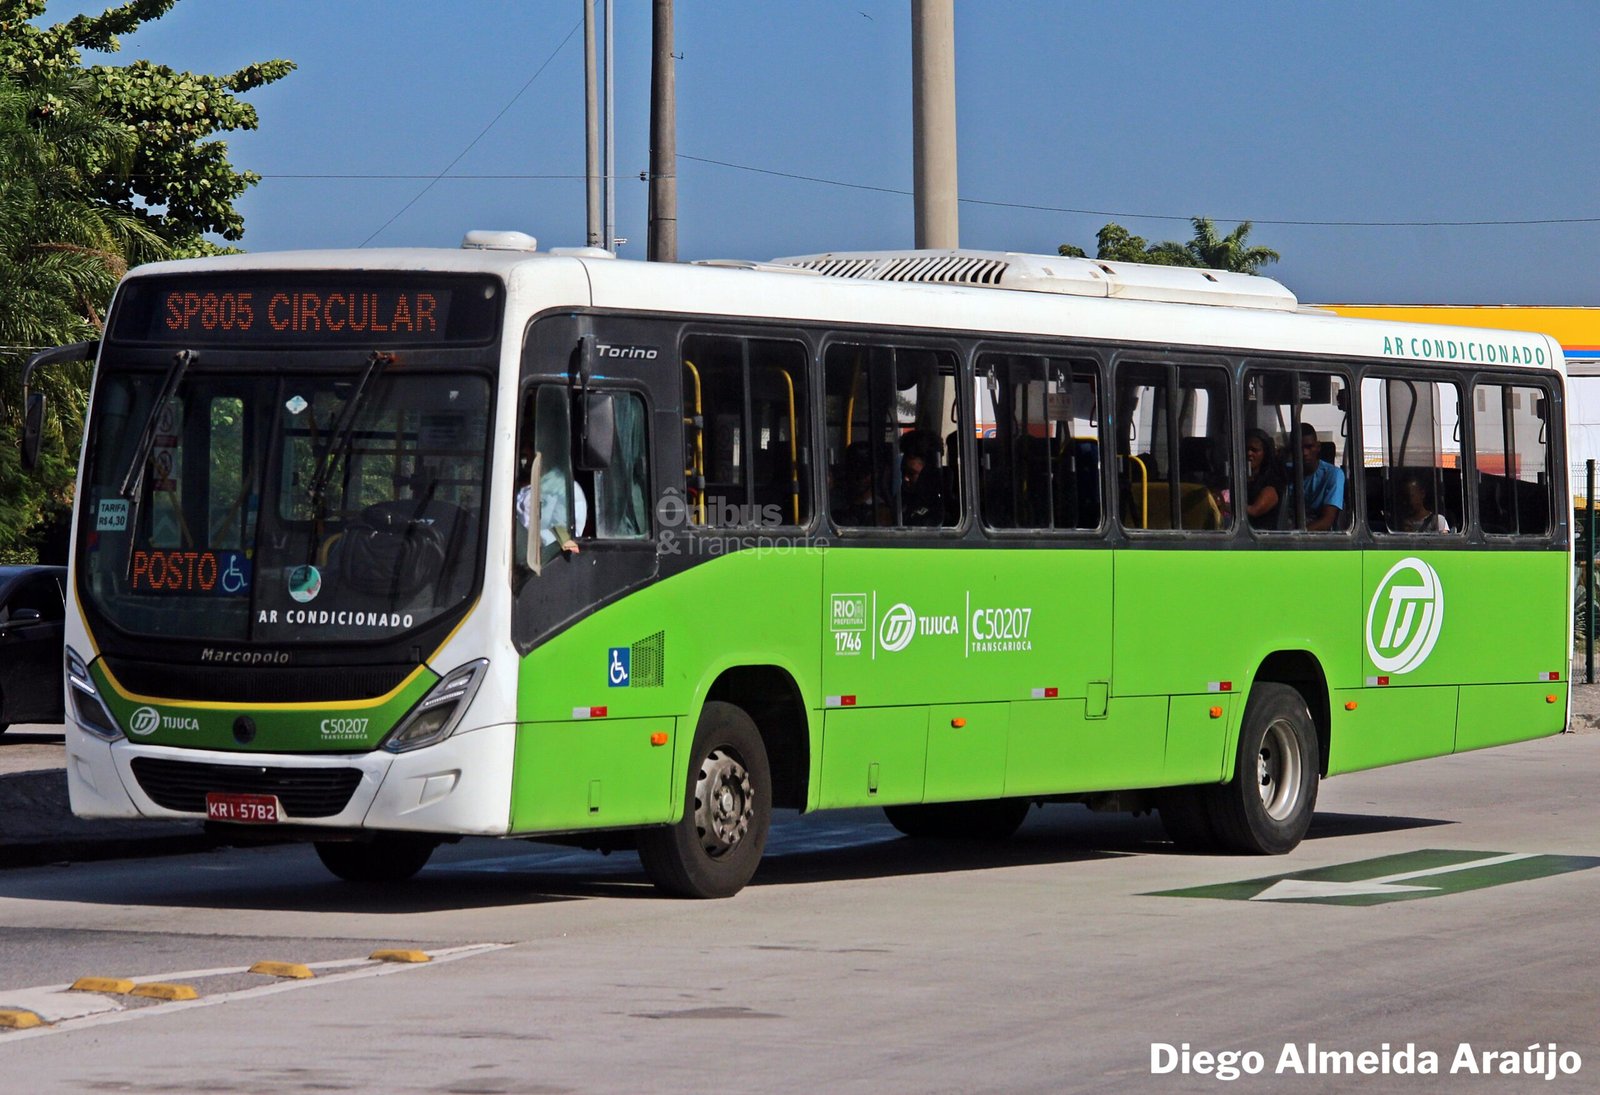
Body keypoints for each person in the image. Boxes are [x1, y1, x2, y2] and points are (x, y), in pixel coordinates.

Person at [1288, 423, 1344, 531]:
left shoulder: (1333, 474)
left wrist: (1295, 535)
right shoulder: (1285, 473)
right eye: (1299, 448)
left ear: (1318, 447)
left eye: (1309, 447)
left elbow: (1327, 521)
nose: (1304, 453)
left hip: (1319, 538)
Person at [898, 429, 944, 526]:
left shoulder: (938, 511)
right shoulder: (901, 500)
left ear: (929, 472)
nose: (905, 478)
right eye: (903, 472)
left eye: (912, 473)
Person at [1244, 428, 1284, 530]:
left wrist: (1224, 506)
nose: (1249, 453)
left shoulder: (1271, 482)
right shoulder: (1242, 478)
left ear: (1264, 453)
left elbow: (1254, 511)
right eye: (1247, 449)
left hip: (1263, 539)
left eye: (1255, 450)